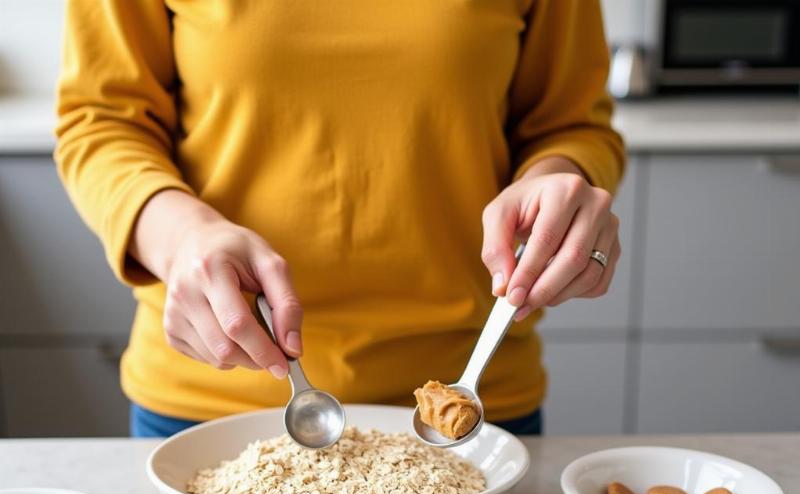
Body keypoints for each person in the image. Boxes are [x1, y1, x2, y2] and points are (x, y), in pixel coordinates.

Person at [55, 0, 624, 439]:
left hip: (472, 399)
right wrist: (181, 238)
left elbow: (570, 122)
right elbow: (102, 120)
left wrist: (558, 179)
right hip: (209, 398)